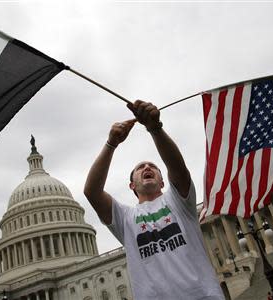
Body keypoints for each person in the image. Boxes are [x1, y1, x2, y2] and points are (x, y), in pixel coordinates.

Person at [84, 100, 224, 299]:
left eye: (153, 166)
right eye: (141, 168)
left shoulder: (179, 202)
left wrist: (154, 128)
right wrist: (111, 143)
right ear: (132, 185)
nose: (147, 168)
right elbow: (92, 192)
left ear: (163, 181)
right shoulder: (125, 218)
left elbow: (178, 167)